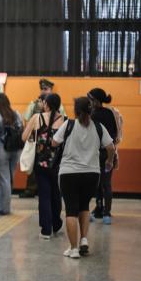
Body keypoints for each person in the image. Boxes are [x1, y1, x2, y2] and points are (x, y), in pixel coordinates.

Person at [52, 97, 115, 259]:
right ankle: (84, 240)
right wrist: (109, 161)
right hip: (92, 174)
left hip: (69, 173)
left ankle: (74, 249)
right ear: (91, 110)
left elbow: (54, 142)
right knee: (84, 206)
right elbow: (110, 147)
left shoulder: (69, 124)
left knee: (71, 210)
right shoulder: (98, 127)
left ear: (75, 110)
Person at [22, 93, 65, 239]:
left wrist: (36, 136)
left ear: (46, 104)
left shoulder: (37, 118)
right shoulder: (64, 120)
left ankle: (46, 230)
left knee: (44, 196)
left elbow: (24, 137)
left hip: (41, 163)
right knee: (56, 194)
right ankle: (56, 223)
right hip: (58, 164)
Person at [21, 79, 65, 198]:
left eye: (46, 89)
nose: (43, 91)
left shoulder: (59, 106)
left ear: (51, 90)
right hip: (38, 145)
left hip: (53, 151)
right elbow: (27, 120)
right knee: (35, 172)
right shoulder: (34, 104)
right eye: (42, 89)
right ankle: (31, 189)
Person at [0, 93, 23, 215]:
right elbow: (21, 130)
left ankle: (4, 208)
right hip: (16, 149)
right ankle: (0, 206)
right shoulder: (17, 115)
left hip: (1, 149)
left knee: (3, 179)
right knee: (9, 178)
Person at [88, 88, 121, 224]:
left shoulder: (92, 115)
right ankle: (106, 213)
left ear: (95, 100)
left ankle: (99, 208)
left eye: (90, 99)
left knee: (96, 183)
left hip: (95, 154)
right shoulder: (110, 113)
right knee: (106, 183)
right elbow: (115, 134)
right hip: (109, 153)